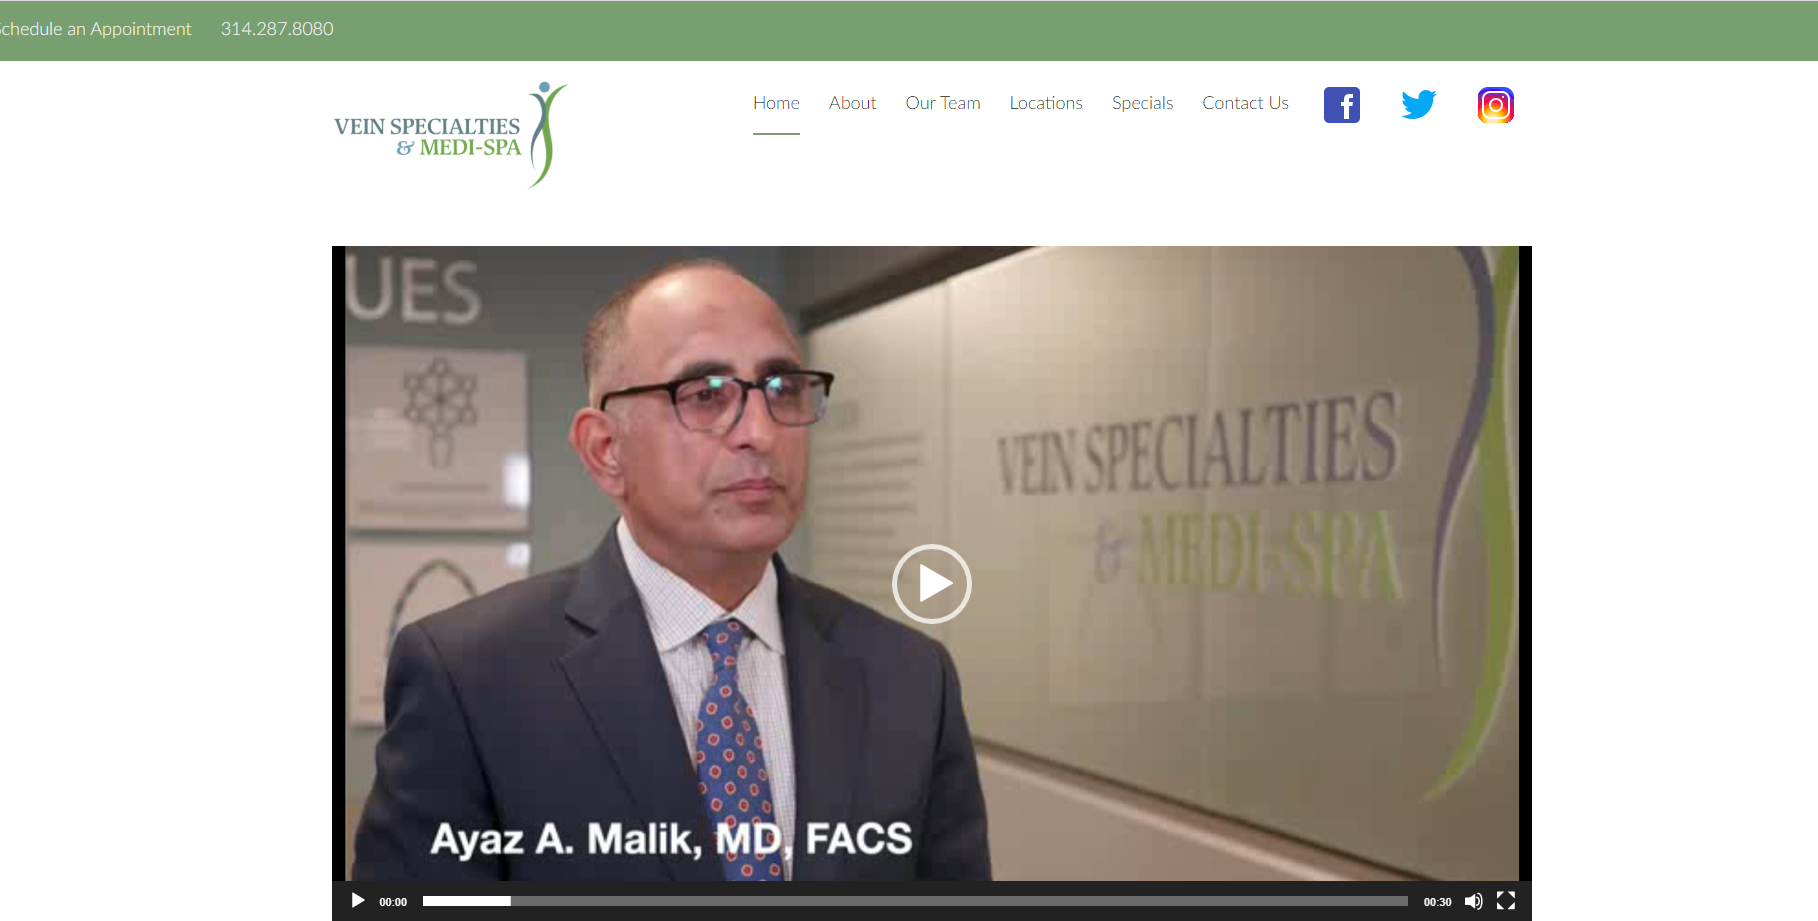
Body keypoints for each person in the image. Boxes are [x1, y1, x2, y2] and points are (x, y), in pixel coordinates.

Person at [352, 259, 991, 881]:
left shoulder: (911, 679)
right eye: (706, 395)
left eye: (783, 389)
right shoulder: (470, 678)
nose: (760, 432)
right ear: (605, 450)